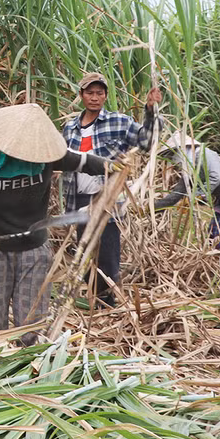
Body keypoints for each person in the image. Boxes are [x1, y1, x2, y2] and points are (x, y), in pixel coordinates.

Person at [0, 103, 112, 345]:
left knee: (33, 326)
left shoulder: (44, 154)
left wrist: (112, 166)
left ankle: (32, 364)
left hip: (34, 251)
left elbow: (83, 162)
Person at [61, 72, 163, 306]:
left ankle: (107, 302)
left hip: (107, 199)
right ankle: (92, 298)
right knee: (85, 251)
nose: (94, 97)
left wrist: (151, 111)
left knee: (107, 254)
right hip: (79, 198)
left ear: (106, 96)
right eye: (90, 93)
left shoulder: (119, 122)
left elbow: (146, 142)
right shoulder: (70, 128)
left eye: (99, 93)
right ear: (81, 95)